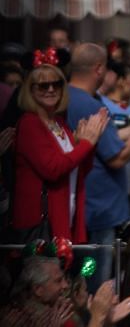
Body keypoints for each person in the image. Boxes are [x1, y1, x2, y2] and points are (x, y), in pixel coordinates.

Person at [64, 45, 130, 280]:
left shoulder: (68, 98)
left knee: (79, 274)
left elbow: (102, 142)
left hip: (83, 207)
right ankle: (89, 313)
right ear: (98, 69)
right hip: (98, 210)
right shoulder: (91, 106)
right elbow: (116, 158)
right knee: (92, 277)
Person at [10, 52, 109, 246]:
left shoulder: (59, 123)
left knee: (77, 275)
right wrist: (86, 143)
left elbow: (79, 169)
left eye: (56, 84)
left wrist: (89, 143)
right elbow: (53, 169)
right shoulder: (30, 124)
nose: (51, 89)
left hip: (66, 217)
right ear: (29, 90)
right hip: (42, 226)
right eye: (43, 85)